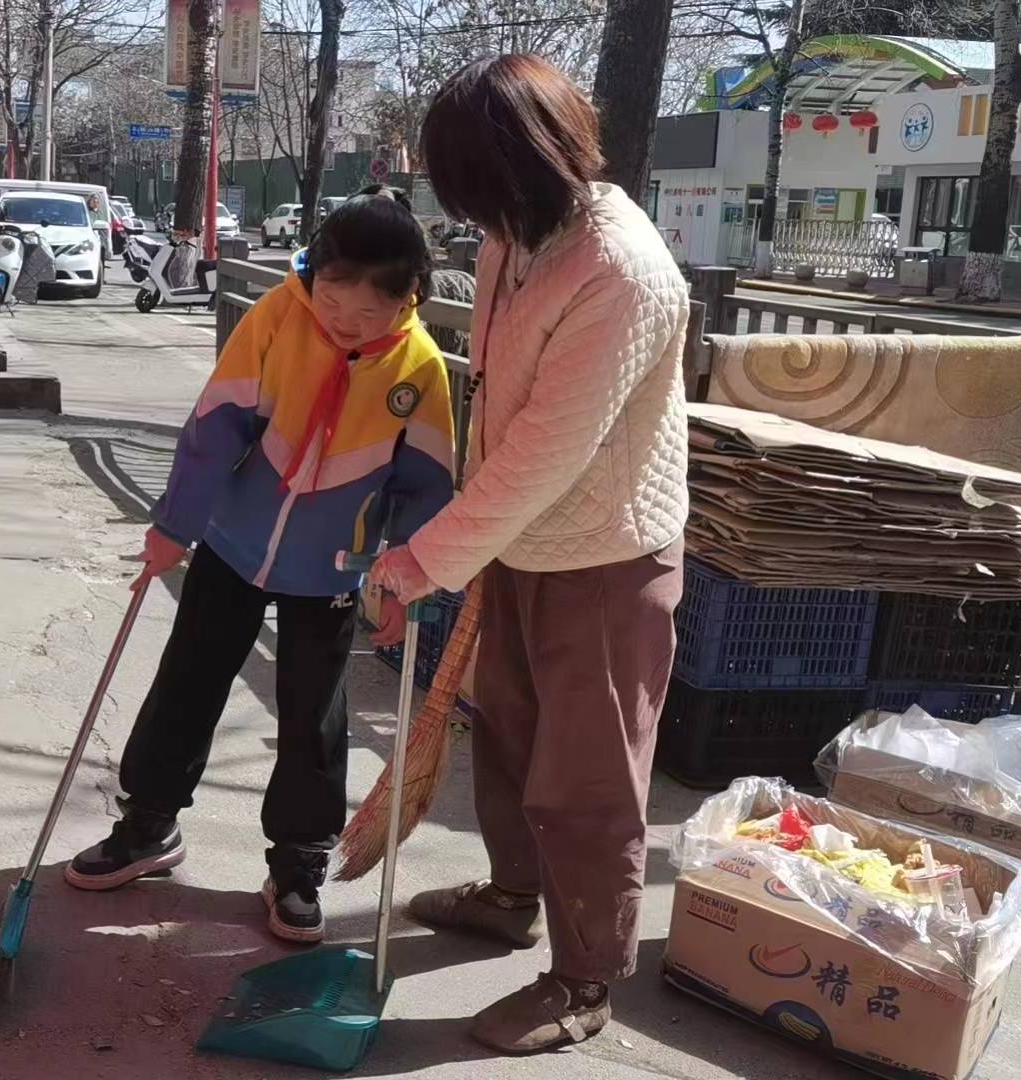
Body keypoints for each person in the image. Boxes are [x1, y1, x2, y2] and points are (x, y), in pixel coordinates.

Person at [367, 54, 690, 1054]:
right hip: (517, 543)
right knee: (505, 736)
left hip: (603, 554)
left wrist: (421, 560)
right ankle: (514, 896)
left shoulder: (622, 271)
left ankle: (585, 979)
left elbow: (551, 451)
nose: (475, 220)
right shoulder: (520, 234)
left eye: (479, 192)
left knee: (587, 780)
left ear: (533, 164)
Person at [65, 188, 456, 944]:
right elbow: (215, 428)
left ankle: (299, 863)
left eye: (370, 314)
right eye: (332, 300)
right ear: (314, 276)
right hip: (232, 544)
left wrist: (406, 581)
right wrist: (172, 528)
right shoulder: (278, 317)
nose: (345, 322)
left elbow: (427, 486)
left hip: (333, 569)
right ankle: (148, 823)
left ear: (410, 299)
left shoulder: (422, 369)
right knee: (188, 680)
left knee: (313, 718)